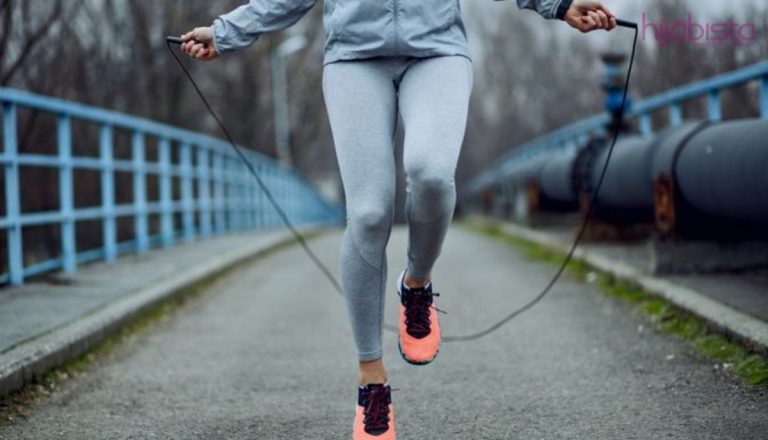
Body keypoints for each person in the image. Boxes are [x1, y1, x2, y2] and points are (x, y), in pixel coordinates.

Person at [180, 0, 616, 438]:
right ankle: (372, 381)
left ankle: (417, 284)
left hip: (437, 51)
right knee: (368, 214)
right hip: (353, 59)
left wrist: (558, 5)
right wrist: (225, 32)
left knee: (430, 173)